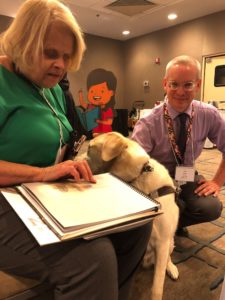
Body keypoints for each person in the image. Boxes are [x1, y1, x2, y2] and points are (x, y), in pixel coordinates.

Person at [0, 1, 151, 299]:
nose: (61, 64)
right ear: (23, 44)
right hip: (9, 198)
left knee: (137, 225)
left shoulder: (52, 88)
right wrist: (44, 173)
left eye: (67, 56)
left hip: (40, 192)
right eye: (50, 53)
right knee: (93, 258)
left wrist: (74, 166)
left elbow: (66, 141)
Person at [132, 55, 225, 235]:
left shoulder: (209, 114)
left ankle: (170, 224)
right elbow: (135, 168)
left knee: (211, 207)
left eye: (188, 85)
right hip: (156, 179)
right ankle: (163, 221)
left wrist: (216, 182)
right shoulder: (147, 123)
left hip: (187, 175)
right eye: (174, 84)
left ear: (197, 85)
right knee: (153, 206)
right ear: (165, 84)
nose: (181, 92)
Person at [79, 68, 117, 136]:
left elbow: (109, 122)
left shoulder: (108, 109)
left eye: (102, 91)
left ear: (111, 93)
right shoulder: (92, 107)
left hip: (106, 132)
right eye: (92, 91)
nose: (96, 95)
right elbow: (83, 104)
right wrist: (80, 94)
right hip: (96, 132)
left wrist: (98, 121)